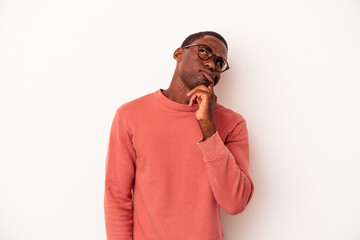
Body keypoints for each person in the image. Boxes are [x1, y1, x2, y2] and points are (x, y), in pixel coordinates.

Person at [104, 31, 255, 240]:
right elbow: (117, 197)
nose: (212, 64)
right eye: (204, 52)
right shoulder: (130, 115)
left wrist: (207, 126)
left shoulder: (232, 123)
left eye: (220, 63)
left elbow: (235, 203)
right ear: (178, 54)